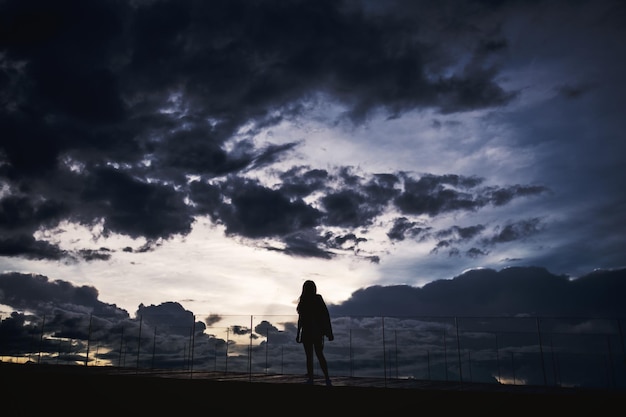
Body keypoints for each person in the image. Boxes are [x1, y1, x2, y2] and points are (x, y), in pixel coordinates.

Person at [296, 280, 334, 386]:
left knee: (310, 356)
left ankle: (312, 379)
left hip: (308, 331)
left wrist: (298, 333)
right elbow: (325, 316)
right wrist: (328, 332)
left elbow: (301, 319)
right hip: (316, 332)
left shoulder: (304, 300)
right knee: (319, 355)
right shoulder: (317, 299)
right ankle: (326, 378)